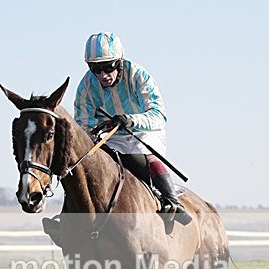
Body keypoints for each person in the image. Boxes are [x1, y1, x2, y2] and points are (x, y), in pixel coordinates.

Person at [74, 32, 191, 224]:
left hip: (143, 131)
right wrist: (92, 134)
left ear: (119, 61)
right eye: (95, 69)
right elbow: (83, 124)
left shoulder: (138, 75)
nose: (103, 75)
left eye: (107, 67)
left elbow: (158, 115)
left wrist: (130, 120)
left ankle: (172, 200)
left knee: (142, 150)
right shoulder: (86, 85)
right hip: (111, 134)